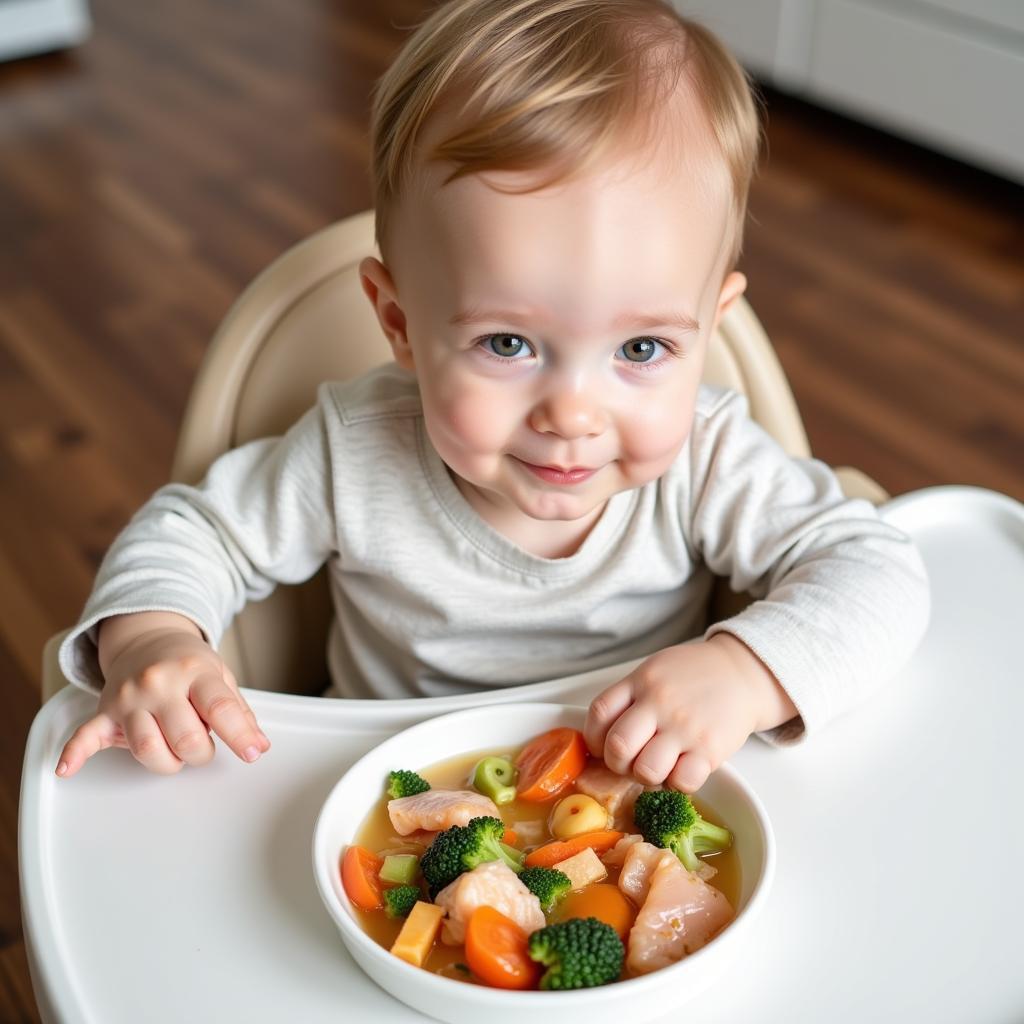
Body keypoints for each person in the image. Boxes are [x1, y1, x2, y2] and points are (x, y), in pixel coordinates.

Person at [55, 0, 929, 790]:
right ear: (399, 322)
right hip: (377, 792)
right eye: (508, 344)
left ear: (711, 325)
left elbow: (878, 572)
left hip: (625, 797)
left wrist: (748, 671)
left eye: (643, 348)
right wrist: (153, 639)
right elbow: (194, 532)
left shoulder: (708, 461)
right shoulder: (353, 450)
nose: (574, 415)